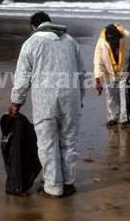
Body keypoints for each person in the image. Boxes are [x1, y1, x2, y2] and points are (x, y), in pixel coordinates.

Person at [8, 12, 86, 198]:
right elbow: (81, 73)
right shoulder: (70, 41)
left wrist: (16, 102)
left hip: (46, 99)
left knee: (47, 142)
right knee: (68, 141)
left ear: (33, 26)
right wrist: (80, 98)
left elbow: (22, 77)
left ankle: (53, 187)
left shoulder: (32, 43)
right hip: (71, 97)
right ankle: (68, 183)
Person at [93, 23, 130, 126]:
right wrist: (98, 80)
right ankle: (113, 117)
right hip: (109, 72)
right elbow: (97, 61)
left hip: (125, 70)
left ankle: (124, 119)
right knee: (111, 95)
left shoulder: (127, 35)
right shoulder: (101, 42)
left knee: (124, 95)